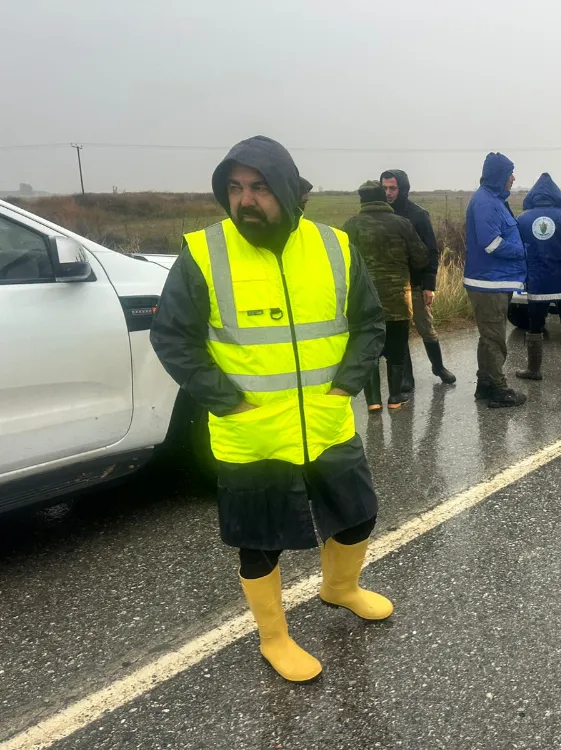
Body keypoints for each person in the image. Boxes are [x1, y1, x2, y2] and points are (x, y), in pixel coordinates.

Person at [150, 136, 393, 684]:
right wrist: (226, 401)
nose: (245, 200)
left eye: (259, 187)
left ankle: (341, 588)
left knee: (358, 514)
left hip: (327, 422)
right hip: (251, 431)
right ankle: (274, 637)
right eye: (234, 188)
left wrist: (344, 388)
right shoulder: (203, 253)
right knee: (259, 542)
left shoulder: (333, 246)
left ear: (285, 188)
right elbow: (173, 338)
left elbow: (369, 324)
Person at [344, 180, 429, 411]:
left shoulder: (351, 226)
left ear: (362, 200)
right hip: (398, 300)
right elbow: (421, 257)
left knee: (368, 350)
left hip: (364, 301)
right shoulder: (402, 224)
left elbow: (342, 263)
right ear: (383, 197)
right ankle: (395, 397)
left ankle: (372, 401)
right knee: (397, 349)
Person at [380, 169, 457, 385]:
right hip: (390, 287)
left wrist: (429, 285)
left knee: (426, 328)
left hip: (416, 284)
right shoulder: (378, 215)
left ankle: (439, 367)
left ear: (402, 189)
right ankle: (406, 377)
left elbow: (431, 251)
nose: (388, 193)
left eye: (392, 188)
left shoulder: (418, 215)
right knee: (398, 333)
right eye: (384, 188)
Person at [464, 152, 528, 408]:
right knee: (494, 338)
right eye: (510, 173)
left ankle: (485, 384)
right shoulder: (486, 203)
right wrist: (523, 251)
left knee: (488, 336)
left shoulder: (493, 200)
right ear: (499, 175)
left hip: (494, 281)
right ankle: (498, 389)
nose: (513, 178)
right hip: (488, 283)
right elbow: (491, 243)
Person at [514, 172, 561, 381]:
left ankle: (534, 370)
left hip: (537, 283)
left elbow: (517, 249)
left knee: (535, 326)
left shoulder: (522, 220)